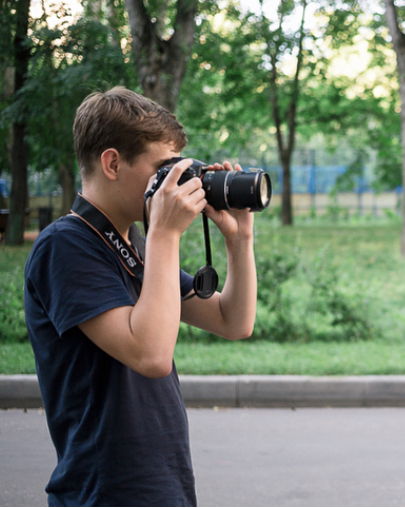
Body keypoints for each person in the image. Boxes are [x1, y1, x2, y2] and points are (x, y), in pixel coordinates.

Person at [24, 86, 258, 506]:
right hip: (106, 492)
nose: (175, 183)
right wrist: (164, 234)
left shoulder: (130, 245)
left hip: (162, 485)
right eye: (164, 169)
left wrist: (240, 240)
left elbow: (233, 320)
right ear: (112, 163)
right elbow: (151, 355)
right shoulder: (65, 246)